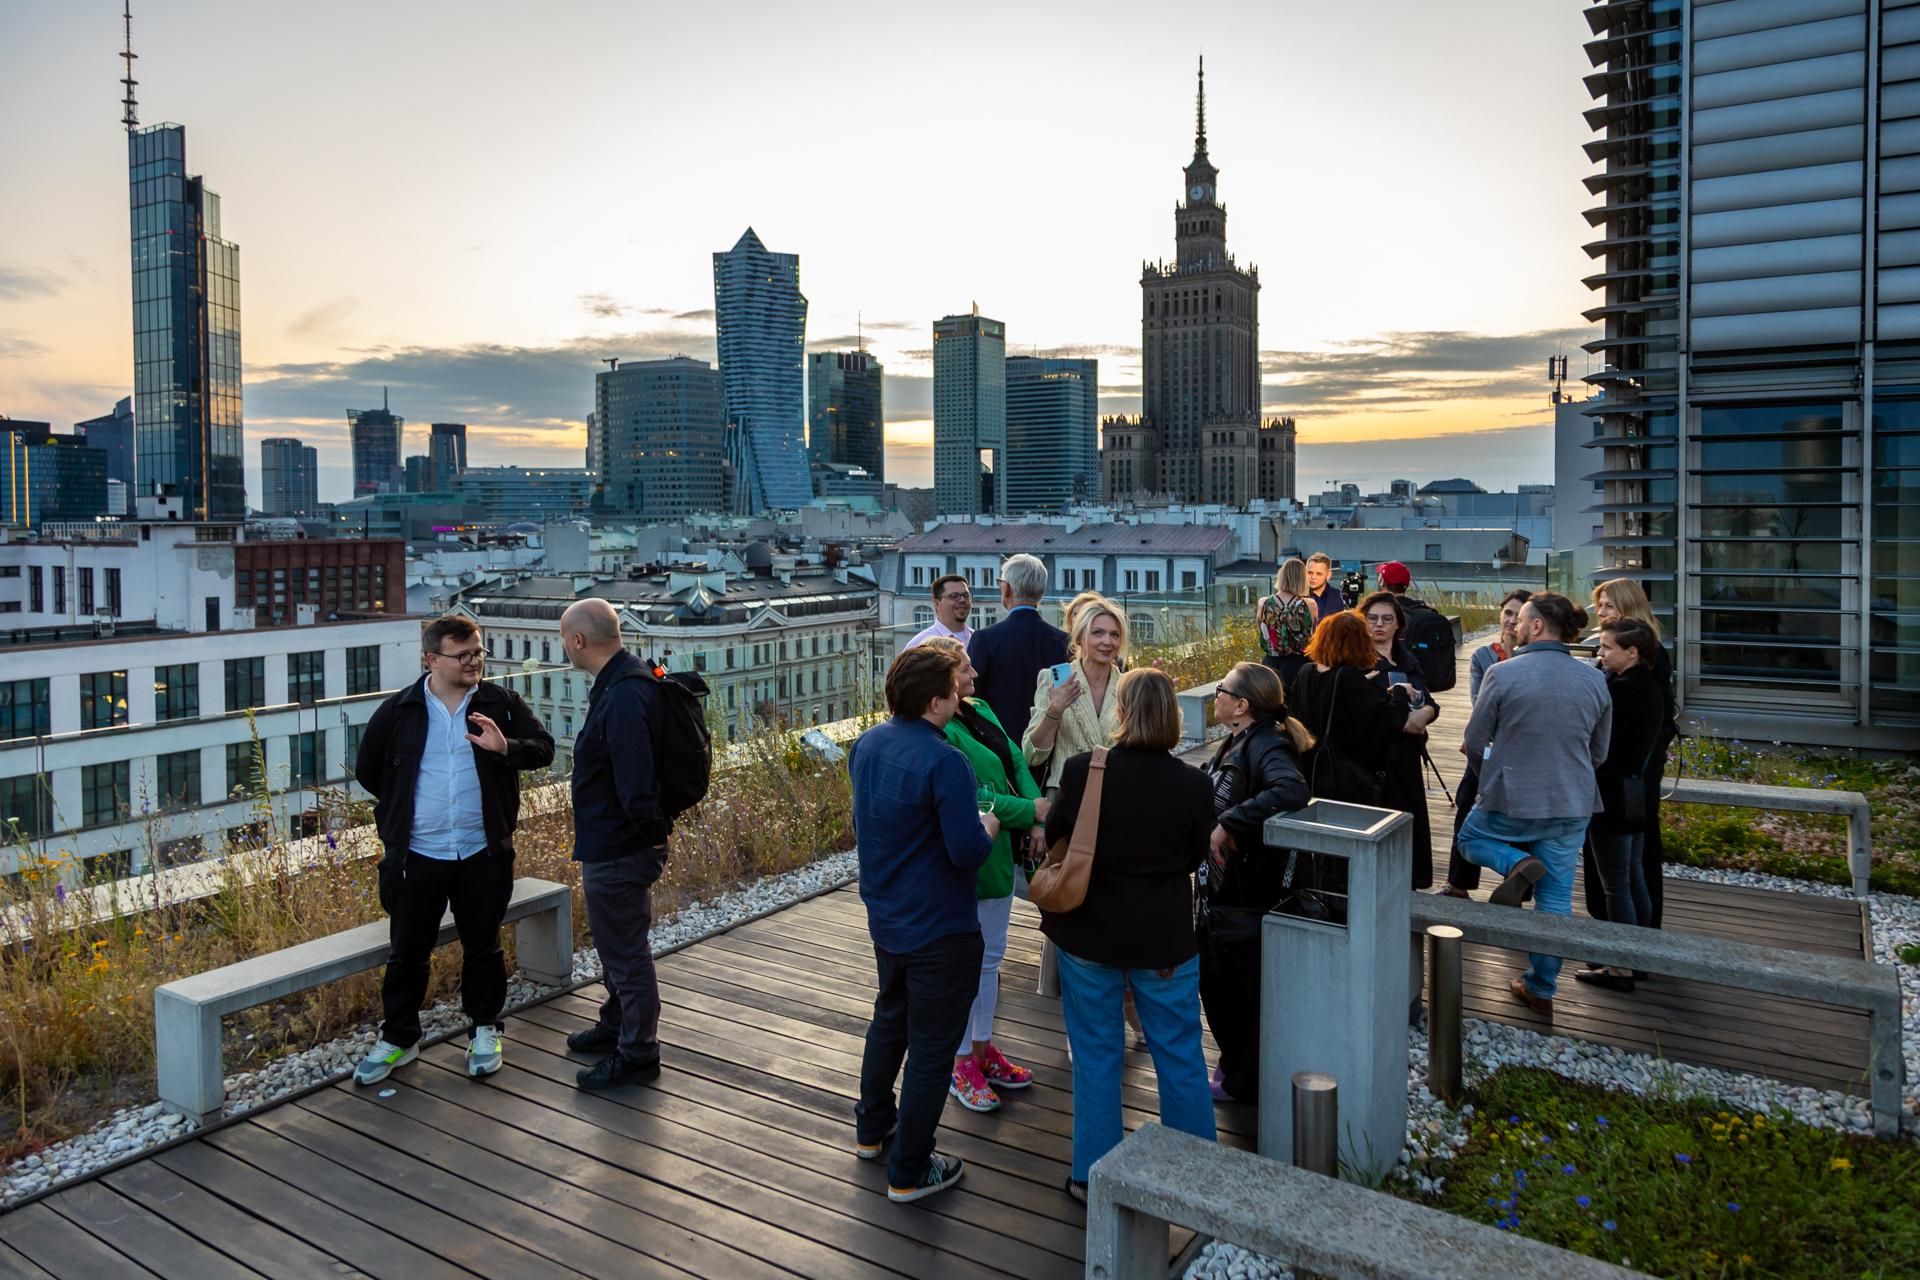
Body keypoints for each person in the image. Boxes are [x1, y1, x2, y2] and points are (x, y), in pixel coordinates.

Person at [353, 616, 555, 1085]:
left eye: (478, 653)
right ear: (431, 659)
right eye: (462, 655)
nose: (474, 662)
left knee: (483, 948)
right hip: (417, 855)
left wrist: (506, 748)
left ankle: (485, 1029)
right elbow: (370, 771)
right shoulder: (399, 711)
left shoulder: (500, 703)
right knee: (407, 951)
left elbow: (543, 749)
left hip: (481, 852)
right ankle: (400, 1038)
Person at [1041, 668, 1217, 1204]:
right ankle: (1192, 1177)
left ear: (1121, 714)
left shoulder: (1082, 770)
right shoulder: (1193, 783)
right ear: (1171, 717)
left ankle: (1091, 1176)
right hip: (1162, 936)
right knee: (1180, 1055)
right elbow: (1195, 856)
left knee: (1096, 1056)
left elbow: (1058, 838)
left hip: (1089, 933)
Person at [848, 645, 996, 1203]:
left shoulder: (867, 744)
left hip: (887, 915)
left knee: (890, 1020)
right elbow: (964, 853)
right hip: (940, 925)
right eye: (955, 691)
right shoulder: (945, 761)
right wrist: (989, 827)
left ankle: (872, 1131)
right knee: (933, 1048)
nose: (962, 695)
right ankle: (910, 1169)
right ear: (937, 701)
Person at [1456, 593, 1612, 1016]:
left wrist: (1490, 771)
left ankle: (1512, 864)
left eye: (1522, 620)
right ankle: (1541, 986)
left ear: (1538, 626)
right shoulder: (1595, 678)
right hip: (1572, 800)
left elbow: (1473, 741)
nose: (1516, 626)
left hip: (1512, 797)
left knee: (1469, 840)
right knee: (1557, 899)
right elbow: (1600, 752)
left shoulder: (1504, 674)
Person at [921, 637, 1046, 1113]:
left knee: (990, 958)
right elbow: (972, 799)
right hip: (966, 861)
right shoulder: (939, 733)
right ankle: (960, 1059)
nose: (974, 675)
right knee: (965, 965)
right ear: (943, 683)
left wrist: (1034, 817)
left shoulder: (981, 709)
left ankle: (981, 1045)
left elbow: (1015, 760)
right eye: (966, 669)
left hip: (998, 854)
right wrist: (1031, 809)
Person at [558, 598, 677, 1090]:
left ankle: (637, 1051)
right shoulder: (626, 679)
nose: (563, 646)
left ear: (578, 641)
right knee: (614, 944)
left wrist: (646, 838)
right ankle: (616, 1022)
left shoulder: (624, 694)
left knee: (627, 952)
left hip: (620, 846)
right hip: (615, 841)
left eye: (564, 638)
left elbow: (634, 781)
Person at [1198, 662, 1312, 1103]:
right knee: (1223, 981)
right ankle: (1235, 1066)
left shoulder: (1267, 742)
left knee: (1234, 986)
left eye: (1222, 688)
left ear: (1242, 704)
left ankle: (1245, 1079)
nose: (1217, 694)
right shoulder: (1244, 737)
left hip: (1247, 891)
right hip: (1231, 887)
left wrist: (1229, 821)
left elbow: (1291, 790)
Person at [1288, 613, 1436, 887]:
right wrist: (1399, 694)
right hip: (1348, 781)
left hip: (1313, 772)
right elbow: (1386, 724)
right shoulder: (1349, 678)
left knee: (1324, 853)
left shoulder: (1306, 673)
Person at [1572, 619, 1668, 992]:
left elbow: (1599, 744)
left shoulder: (1622, 690)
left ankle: (1620, 966)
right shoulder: (1652, 686)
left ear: (1632, 652)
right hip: (1637, 796)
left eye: (1608, 648)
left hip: (1610, 796)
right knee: (1633, 878)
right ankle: (1641, 954)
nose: (1600, 653)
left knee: (1616, 886)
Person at [1584, 577, 1677, 930]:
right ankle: (1629, 940)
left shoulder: (1637, 674)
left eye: (1609, 606)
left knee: (1624, 871)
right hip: (1632, 776)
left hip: (1626, 779)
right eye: (1601, 606)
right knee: (1628, 869)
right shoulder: (1630, 663)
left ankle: (1624, 948)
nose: (1602, 612)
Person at [1438, 588, 1531, 898]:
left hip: (1522, 750)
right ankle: (1458, 883)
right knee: (1466, 806)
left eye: (1518, 616)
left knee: (1520, 814)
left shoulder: (1535, 656)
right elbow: (1480, 705)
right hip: (1485, 747)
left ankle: (1518, 885)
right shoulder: (1483, 655)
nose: (1510, 620)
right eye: (1506, 613)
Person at [1357, 591, 1441, 890]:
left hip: (1407, 755)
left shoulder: (1407, 658)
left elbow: (1429, 699)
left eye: (1387, 619)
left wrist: (1426, 713)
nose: (1379, 625)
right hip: (1374, 758)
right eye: (1373, 619)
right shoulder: (1358, 660)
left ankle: (1410, 880)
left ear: (1397, 624)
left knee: (1410, 819)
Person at [1023, 599, 1129, 792]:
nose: (1108, 641)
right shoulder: (1055, 679)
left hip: (1115, 792)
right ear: (1079, 637)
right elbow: (1032, 755)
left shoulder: (1127, 685)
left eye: (1115, 634)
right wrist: (1054, 711)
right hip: (1066, 792)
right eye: (1098, 633)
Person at [967, 553, 1069, 750]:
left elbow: (972, 700)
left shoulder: (985, 639)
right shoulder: (1064, 642)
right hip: (1048, 747)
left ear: (1006, 589)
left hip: (999, 748)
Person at [1256, 558, 1317, 685]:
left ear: (1282, 575)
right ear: (1302, 579)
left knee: (1272, 702)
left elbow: (1262, 632)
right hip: (1301, 665)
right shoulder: (1310, 605)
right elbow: (1313, 634)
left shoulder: (1264, 603)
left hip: (1271, 664)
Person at [906, 573, 975, 650]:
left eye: (966, 595)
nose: (962, 600)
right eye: (954, 596)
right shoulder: (919, 644)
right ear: (937, 604)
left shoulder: (979, 639)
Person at [1305, 553, 1342, 623]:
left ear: (1328, 575)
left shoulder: (1339, 597)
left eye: (1318, 574)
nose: (1313, 577)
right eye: (1310, 573)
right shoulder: (1297, 596)